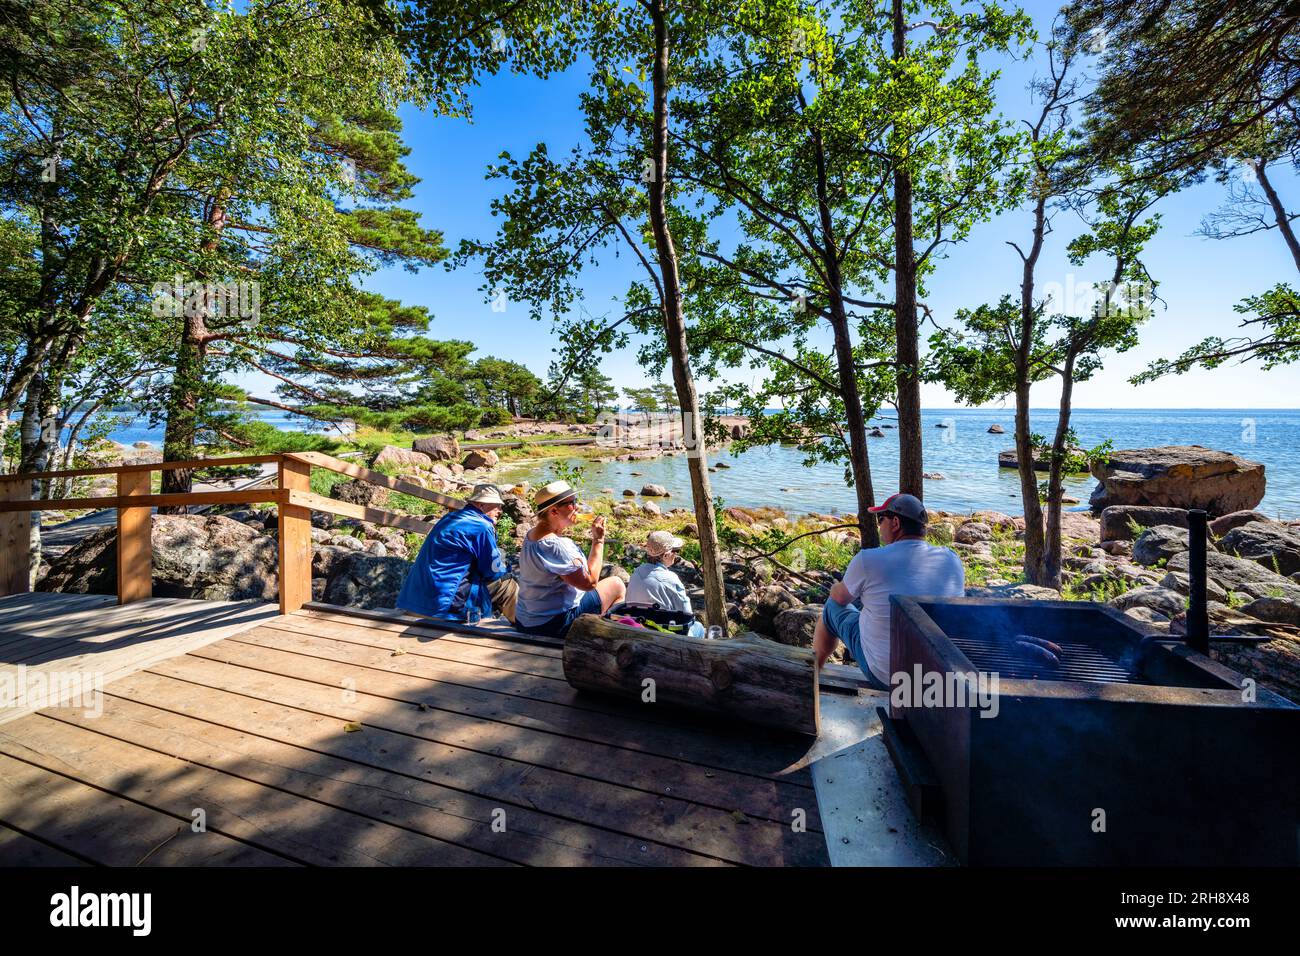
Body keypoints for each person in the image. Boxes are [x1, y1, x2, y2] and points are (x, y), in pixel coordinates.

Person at [814, 492, 965, 689]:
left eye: (881, 519)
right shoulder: (951, 560)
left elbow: (839, 598)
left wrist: (836, 587)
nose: (879, 525)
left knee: (831, 609)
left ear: (895, 523)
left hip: (887, 677)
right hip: (938, 677)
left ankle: (814, 672)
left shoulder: (868, 560)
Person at [514, 480, 625, 638]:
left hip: (526, 621)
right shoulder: (555, 546)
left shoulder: (532, 535)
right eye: (572, 503)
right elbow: (590, 583)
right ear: (554, 511)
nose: (577, 507)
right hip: (551, 624)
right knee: (617, 584)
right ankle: (601, 637)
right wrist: (598, 541)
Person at [397, 483, 518, 624]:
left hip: (413, 602)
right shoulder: (481, 526)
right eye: (497, 505)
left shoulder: (449, 518)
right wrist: (505, 566)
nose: (500, 510)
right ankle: (528, 629)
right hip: (444, 609)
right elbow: (493, 572)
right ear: (481, 505)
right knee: (507, 584)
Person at [626, 530, 707, 637]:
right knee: (698, 627)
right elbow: (687, 615)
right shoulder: (671, 579)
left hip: (640, 629)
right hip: (666, 636)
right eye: (675, 550)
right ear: (665, 556)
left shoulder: (637, 572)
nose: (676, 554)